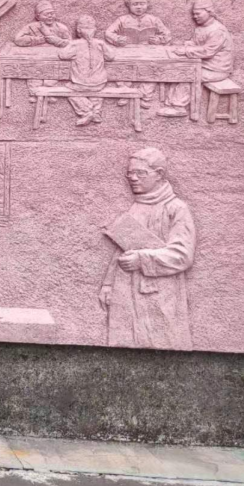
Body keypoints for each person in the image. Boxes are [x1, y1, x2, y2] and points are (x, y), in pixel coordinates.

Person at [99, 148, 195, 350]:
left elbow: (182, 255)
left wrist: (142, 259)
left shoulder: (176, 208)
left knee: (161, 343)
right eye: (130, 173)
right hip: (126, 291)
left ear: (159, 174)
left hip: (160, 293)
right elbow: (122, 246)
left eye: (140, 173)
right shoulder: (138, 206)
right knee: (124, 346)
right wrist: (108, 284)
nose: (133, 178)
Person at [159, 0, 234, 118]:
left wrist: (186, 51)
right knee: (177, 71)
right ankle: (171, 103)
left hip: (216, 69)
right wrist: (185, 46)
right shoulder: (201, 28)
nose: (195, 17)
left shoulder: (217, 30)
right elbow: (195, 43)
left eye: (198, 13)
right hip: (204, 66)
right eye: (194, 14)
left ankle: (179, 107)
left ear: (209, 12)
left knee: (187, 74)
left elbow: (207, 51)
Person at [104, 0, 170, 109]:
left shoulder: (154, 20)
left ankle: (146, 96)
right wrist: (118, 39)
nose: (139, 7)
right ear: (128, 5)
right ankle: (125, 91)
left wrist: (159, 39)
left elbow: (167, 34)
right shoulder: (122, 20)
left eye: (142, 4)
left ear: (147, 4)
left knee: (151, 69)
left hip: (148, 51)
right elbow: (108, 33)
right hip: (127, 50)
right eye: (135, 4)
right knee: (120, 67)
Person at [58, 15, 116, 126]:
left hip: (80, 83)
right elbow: (111, 56)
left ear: (79, 30)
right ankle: (96, 112)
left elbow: (63, 55)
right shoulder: (100, 43)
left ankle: (87, 112)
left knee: (70, 91)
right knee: (96, 90)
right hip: (99, 83)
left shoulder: (75, 44)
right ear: (94, 30)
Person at [13, 0, 72, 101]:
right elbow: (18, 40)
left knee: (52, 76)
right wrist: (39, 40)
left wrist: (56, 41)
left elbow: (71, 44)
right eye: (46, 14)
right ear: (38, 16)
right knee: (34, 74)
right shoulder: (31, 27)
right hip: (36, 59)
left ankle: (49, 93)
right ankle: (34, 93)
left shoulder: (61, 28)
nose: (50, 16)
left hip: (54, 59)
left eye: (52, 13)